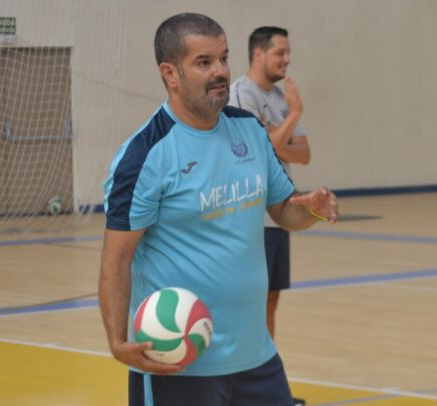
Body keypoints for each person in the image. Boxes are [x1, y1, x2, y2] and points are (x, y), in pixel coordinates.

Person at [100, 13, 338, 406]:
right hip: (179, 364)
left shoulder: (249, 130)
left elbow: (283, 212)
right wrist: (116, 341)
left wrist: (310, 208)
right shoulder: (144, 155)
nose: (221, 72)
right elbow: (116, 258)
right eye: (204, 62)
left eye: (224, 58)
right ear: (170, 74)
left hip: (257, 358)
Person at [229, 26, 310, 341]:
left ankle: (267, 370)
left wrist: (274, 138)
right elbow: (257, 148)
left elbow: (304, 154)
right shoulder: (241, 94)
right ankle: (246, 367)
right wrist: (293, 116)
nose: (287, 59)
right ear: (258, 54)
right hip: (251, 217)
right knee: (252, 299)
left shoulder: (280, 98)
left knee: (271, 297)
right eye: (280, 53)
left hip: (278, 214)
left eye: (289, 53)